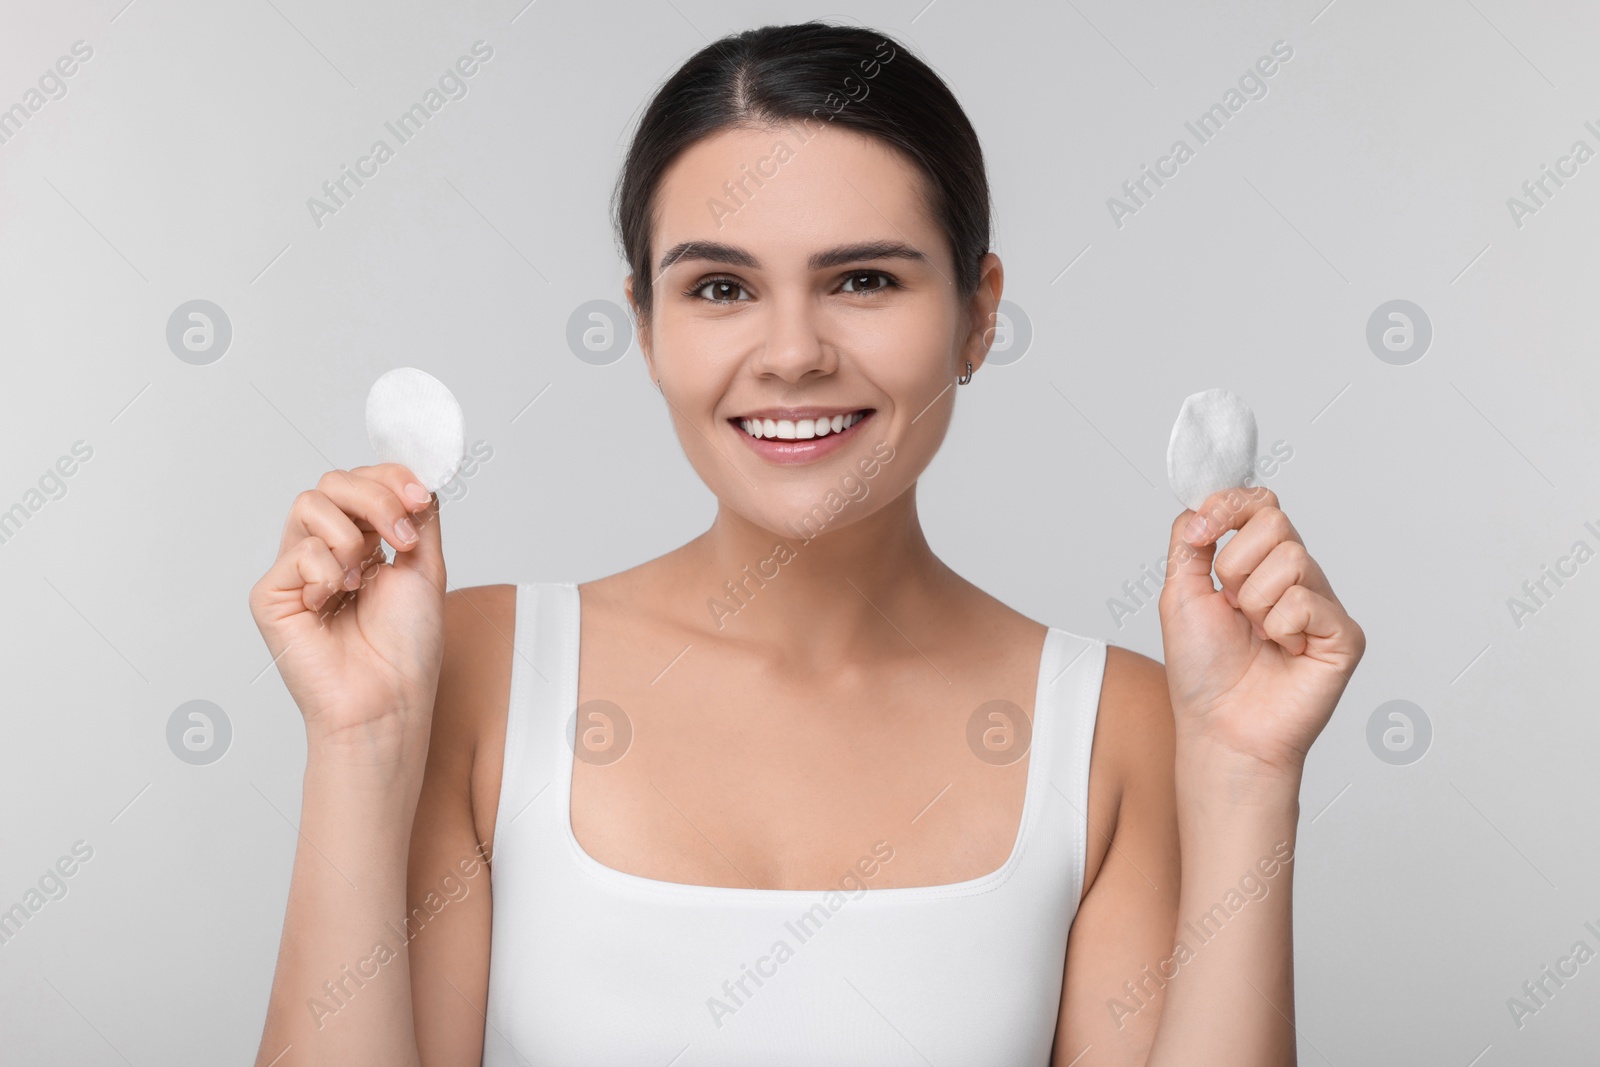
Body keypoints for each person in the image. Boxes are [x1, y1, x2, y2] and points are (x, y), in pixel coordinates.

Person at [249, 21, 1364, 1067]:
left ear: (978, 311)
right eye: (721, 287)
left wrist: (1244, 773)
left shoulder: (1115, 727)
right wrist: (360, 741)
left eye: (864, 279)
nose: (790, 353)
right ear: (645, 324)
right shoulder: (483, 669)